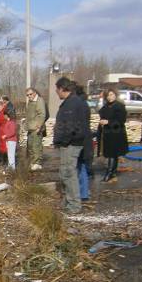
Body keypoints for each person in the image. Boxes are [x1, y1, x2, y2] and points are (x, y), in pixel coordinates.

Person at [53, 77, 88, 214]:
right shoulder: (70, 102)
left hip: (71, 144)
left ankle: (74, 205)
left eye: (57, 89)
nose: (56, 92)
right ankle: (68, 202)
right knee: (65, 173)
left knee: (68, 174)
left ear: (62, 89)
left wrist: (64, 142)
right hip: (69, 143)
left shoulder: (73, 103)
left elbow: (71, 126)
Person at [98, 88, 129, 182]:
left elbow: (121, 120)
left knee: (113, 154)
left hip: (117, 133)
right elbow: (102, 113)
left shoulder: (120, 106)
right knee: (111, 154)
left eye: (111, 95)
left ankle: (109, 172)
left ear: (115, 95)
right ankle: (113, 171)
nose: (110, 97)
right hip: (107, 133)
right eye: (108, 95)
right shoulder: (106, 106)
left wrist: (108, 122)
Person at [73, 83, 93, 201]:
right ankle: (83, 192)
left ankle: (82, 193)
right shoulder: (83, 104)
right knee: (82, 166)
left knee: (80, 167)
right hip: (84, 139)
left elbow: (77, 124)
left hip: (80, 140)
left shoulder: (79, 105)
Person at [25, 87, 47, 171]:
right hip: (31, 128)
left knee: (36, 146)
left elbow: (42, 114)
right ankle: (33, 162)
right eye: (27, 95)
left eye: (30, 94)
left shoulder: (39, 101)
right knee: (30, 146)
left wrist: (39, 126)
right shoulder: (30, 102)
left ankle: (37, 163)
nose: (29, 96)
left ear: (34, 93)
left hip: (36, 128)